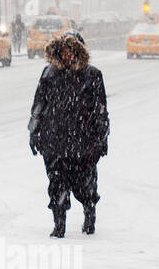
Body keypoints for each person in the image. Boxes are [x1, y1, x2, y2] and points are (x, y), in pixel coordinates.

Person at [27, 31, 109, 238]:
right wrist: (34, 132)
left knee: (86, 185)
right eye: (63, 51)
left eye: (71, 51)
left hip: (84, 143)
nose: (67, 56)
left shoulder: (92, 75)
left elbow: (100, 111)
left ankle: (89, 215)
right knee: (57, 184)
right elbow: (39, 106)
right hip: (54, 142)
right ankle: (59, 223)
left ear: (79, 52)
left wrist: (102, 138)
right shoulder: (49, 74)